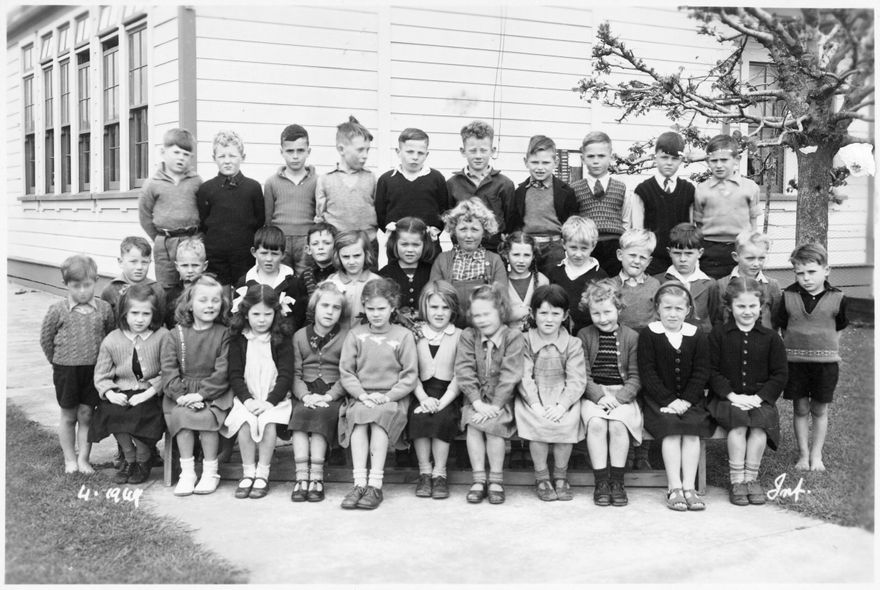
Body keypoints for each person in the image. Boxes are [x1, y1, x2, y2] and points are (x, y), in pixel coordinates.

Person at [338, 278, 419, 510]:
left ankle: (375, 484)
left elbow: (409, 375)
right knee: (360, 422)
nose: (375, 314)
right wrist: (362, 395)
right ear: (363, 307)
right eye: (370, 309)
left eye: (381, 309)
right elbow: (347, 372)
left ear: (392, 307)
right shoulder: (355, 335)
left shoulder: (403, 335)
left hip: (391, 397)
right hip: (362, 396)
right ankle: (359, 483)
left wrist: (388, 396)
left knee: (378, 421)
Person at [708, 277, 788, 505]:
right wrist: (732, 396)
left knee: (760, 427)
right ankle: (737, 480)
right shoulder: (719, 335)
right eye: (740, 306)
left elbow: (780, 374)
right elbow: (711, 371)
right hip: (726, 399)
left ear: (761, 307)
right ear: (730, 307)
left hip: (759, 398)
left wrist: (758, 397)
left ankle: (751, 478)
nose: (747, 311)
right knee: (739, 424)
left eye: (752, 306)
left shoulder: (771, 338)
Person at [638, 281, 713, 511]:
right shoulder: (649, 334)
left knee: (691, 430)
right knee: (671, 429)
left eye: (678, 309)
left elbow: (702, 371)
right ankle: (674, 487)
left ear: (688, 310)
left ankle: (689, 487)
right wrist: (670, 400)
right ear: (658, 309)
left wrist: (687, 400)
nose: (673, 313)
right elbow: (647, 372)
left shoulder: (697, 334)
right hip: (658, 400)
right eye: (667, 308)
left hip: (691, 400)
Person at [774, 243, 848, 472]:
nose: (805, 278)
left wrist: (830, 351)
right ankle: (803, 455)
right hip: (795, 364)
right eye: (800, 273)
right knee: (801, 409)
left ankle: (817, 455)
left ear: (826, 270)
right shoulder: (787, 296)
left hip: (825, 365)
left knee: (820, 410)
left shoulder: (838, 298)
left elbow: (839, 328)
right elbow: (783, 329)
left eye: (811, 272)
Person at [40, 255, 115, 473]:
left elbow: (109, 337)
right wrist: (57, 363)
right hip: (66, 370)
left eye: (87, 285)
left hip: (94, 371)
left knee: (86, 414)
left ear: (96, 281)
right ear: (65, 284)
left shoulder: (103, 309)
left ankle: (83, 459)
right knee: (68, 415)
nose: (82, 291)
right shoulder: (57, 310)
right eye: (76, 286)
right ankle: (69, 460)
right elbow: (46, 339)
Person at [160, 275, 232, 496]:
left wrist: (201, 395)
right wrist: (181, 396)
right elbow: (169, 369)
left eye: (215, 301)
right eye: (203, 300)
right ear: (190, 304)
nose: (209, 305)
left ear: (222, 304)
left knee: (206, 418)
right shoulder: (175, 335)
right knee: (181, 416)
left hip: (214, 392)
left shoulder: (224, 334)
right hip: (181, 393)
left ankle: (211, 471)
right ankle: (187, 472)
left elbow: (223, 371)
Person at [221, 284, 294, 500]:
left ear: (276, 313)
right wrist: (248, 400)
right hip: (248, 397)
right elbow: (234, 374)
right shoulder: (239, 338)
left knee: (267, 423)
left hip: (275, 398)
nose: (261, 320)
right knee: (245, 422)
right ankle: (248, 472)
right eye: (256, 314)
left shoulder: (281, 339)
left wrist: (270, 401)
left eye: (267, 314)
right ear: (245, 313)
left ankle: (263, 473)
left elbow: (285, 375)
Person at [90, 284, 168, 484]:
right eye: (134, 313)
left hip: (151, 393)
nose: (140, 319)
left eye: (146, 314)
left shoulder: (162, 337)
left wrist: (149, 392)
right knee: (110, 412)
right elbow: (101, 375)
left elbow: (169, 371)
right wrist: (109, 393)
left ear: (154, 314)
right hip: (121, 391)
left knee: (143, 416)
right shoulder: (112, 340)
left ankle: (144, 459)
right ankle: (129, 457)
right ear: (124, 313)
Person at [515, 284, 586, 502]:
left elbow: (577, 379)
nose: (549, 319)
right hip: (531, 396)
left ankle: (560, 476)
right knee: (539, 424)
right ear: (533, 314)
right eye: (543, 313)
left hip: (563, 395)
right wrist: (535, 404)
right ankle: (542, 476)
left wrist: (562, 405)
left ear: (565, 315)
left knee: (564, 424)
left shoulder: (573, 344)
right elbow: (523, 375)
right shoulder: (524, 340)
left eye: (555, 314)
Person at [456, 283, 524, 505]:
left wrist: (495, 406)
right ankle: (478, 479)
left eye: (487, 314)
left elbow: (510, 374)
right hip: (475, 400)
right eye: (476, 315)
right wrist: (476, 402)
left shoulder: (513, 336)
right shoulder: (468, 336)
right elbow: (464, 371)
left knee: (494, 427)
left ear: (501, 311)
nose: (481, 320)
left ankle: (495, 479)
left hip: (502, 400)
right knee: (474, 426)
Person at [578, 279, 642, 507]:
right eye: (596, 313)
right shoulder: (584, 335)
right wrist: (599, 396)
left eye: (607, 311)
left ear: (619, 309)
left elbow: (636, 377)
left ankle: (617, 481)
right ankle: (601, 481)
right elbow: (583, 375)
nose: (602, 318)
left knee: (617, 425)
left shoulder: (632, 337)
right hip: (593, 393)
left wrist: (619, 398)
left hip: (622, 394)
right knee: (595, 423)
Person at [289, 282, 349, 503]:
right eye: (325, 306)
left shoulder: (346, 336)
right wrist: (305, 396)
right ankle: (301, 477)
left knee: (322, 415)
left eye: (336, 308)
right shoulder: (299, 336)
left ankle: (316, 478)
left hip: (333, 392)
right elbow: (294, 373)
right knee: (300, 414)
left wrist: (329, 396)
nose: (330, 311)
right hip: (306, 390)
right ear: (314, 307)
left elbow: (347, 374)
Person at [408, 281, 462, 500]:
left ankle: (440, 473)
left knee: (442, 418)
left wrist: (443, 401)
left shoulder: (459, 335)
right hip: (420, 391)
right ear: (425, 307)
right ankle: (424, 472)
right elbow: (409, 370)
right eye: (434, 307)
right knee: (418, 418)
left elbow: (461, 375)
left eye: (445, 308)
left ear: (453, 310)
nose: (439, 313)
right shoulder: (414, 333)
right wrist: (422, 398)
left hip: (448, 394)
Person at [197, 130, 265, 287]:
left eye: (232, 156)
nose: (227, 161)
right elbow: (203, 223)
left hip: (244, 257)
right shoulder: (206, 189)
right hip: (215, 258)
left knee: (244, 296)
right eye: (222, 156)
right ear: (214, 158)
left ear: (242, 157)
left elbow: (259, 221)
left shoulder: (253, 188)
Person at [138, 128, 202, 291]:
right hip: (165, 244)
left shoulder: (196, 181)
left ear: (191, 157)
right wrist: (161, 238)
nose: (181, 157)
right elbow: (145, 217)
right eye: (176, 152)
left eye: (186, 154)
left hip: (192, 241)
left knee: (193, 286)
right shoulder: (152, 184)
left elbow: (204, 211)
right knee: (167, 289)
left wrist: (197, 238)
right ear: (163, 152)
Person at [430, 198, 508, 327]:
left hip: (485, 327)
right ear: (454, 230)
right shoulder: (442, 260)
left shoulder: (494, 260)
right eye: (463, 229)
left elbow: (502, 299)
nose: (469, 235)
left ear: (484, 231)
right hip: (450, 328)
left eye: (475, 229)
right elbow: (433, 296)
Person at [570, 131, 638, 276]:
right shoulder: (574, 189)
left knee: (612, 286)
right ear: (583, 158)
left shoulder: (622, 188)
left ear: (611, 157)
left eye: (601, 156)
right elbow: (573, 222)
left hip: (614, 247)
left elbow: (626, 222)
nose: (596, 161)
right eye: (591, 156)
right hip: (586, 247)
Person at [507, 135, 578, 276]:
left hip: (555, 247)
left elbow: (572, 223)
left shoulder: (566, 192)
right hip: (527, 247)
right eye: (535, 162)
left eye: (545, 163)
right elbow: (514, 224)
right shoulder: (520, 192)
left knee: (554, 288)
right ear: (526, 162)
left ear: (555, 162)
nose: (540, 168)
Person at [693, 134, 760, 279]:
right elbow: (698, 224)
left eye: (724, 160)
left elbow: (753, 223)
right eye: (714, 161)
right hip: (710, 252)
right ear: (707, 161)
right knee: (712, 293)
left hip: (741, 249)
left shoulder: (750, 187)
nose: (718, 165)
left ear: (736, 160)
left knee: (739, 292)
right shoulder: (701, 189)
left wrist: (753, 250)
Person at [315, 116, 379, 265]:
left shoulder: (371, 178)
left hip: (367, 245)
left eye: (368, 150)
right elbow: (320, 216)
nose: (365, 155)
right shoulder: (326, 180)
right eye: (360, 150)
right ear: (341, 149)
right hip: (338, 247)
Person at [375, 128, 450, 254]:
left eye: (420, 153)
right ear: (398, 152)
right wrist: (397, 233)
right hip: (398, 245)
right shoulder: (386, 180)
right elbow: (380, 214)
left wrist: (431, 231)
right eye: (410, 152)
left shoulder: (436, 178)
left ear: (427, 154)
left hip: (428, 244)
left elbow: (444, 210)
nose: (415, 157)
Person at [631, 130, 695, 276]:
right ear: (655, 158)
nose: (669, 163)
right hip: (652, 261)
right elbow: (638, 231)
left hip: (681, 259)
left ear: (681, 160)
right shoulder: (643, 190)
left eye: (674, 158)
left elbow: (692, 229)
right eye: (664, 157)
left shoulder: (689, 190)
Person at [446, 120, 515, 252]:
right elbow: (449, 221)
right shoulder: (452, 184)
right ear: (463, 151)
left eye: (483, 150)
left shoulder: (505, 184)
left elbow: (510, 222)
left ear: (492, 151)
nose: (478, 156)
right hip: (461, 251)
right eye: (473, 151)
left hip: (494, 252)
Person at [263, 124, 318, 275]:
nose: (295, 156)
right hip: (281, 242)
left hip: (306, 242)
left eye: (300, 150)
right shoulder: (271, 183)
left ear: (308, 151)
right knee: (281, 281)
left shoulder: (317, 181)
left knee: (306, 281)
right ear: (282, 152)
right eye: (290, 151)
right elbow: (268, 221)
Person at [233, 224, 307, 334]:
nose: (269, 259)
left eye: (275, 254)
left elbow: (299, 318)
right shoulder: (244, 283)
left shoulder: (294, 284)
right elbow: (237, 316)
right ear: (254, 252)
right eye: (263, 253)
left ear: (283, 254)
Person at [546, 216, 608, 335]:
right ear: (564, 244)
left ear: (593, 246)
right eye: (573, 248)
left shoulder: (600, 276)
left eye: (584, 248)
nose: (578, 254)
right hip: (559, 334)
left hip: (591, 335)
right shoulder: (555, 273)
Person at [654, 223, 717, 334]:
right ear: (669, 252)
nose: (683, 259)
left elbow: (713, 316)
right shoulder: (658, 281)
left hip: (699, 341)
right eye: (677, 253)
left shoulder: (710, 284)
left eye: (689, 253)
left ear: (700, 253)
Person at [712, 230, 782, 329]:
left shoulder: (772, 285)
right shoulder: (722, 285)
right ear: (736, 257)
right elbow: (718, 317)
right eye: (750, 258)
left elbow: (775, 318)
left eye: (761, 258)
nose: (756, 264)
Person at [379, 216, 436, 326]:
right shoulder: (384, 274)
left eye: (416, 245)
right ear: (395, 243)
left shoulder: (433, 271)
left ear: (424, 244)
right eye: (404, 244)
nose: (410, 250)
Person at [100, 236, 166, 321]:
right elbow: (106, 322)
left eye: (144, 262)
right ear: (121, 262)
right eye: (133, 262)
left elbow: (161, 320)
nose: (139, 267)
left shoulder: (157, 289)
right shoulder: (110, 290)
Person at [327, 230, 381, 329]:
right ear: (337, 256)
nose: (351, 262)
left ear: (366, 254)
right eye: (346, 257)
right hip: (339, 339)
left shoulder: (377, 282)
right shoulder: (332, 282)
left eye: (357, 256)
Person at [613, 228, 661, 333]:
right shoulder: (610, 285)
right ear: (620, 255)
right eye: (632, 255)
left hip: (647, 339)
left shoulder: (654, 284)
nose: (637, 261)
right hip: (620, 339)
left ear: (649, 261)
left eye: (643, 258)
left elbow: (659, 317)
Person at [500, 231, 549, 331]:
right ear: (506, 255)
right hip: (507, 339)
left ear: (533, 256)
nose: (521, 260)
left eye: (526, 255)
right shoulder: (500, 281)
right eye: (516, 255)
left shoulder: (542, 281)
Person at [164, 236, 208, 328]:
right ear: (177, 266)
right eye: (184, 265)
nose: (190, 270)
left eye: (195, 265)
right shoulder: (172, 294)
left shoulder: (210, 291)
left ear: (204, 266)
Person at [298, 223, 338, 297]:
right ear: (308, 249)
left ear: (335, 248)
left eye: (326, 243)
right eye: (315, 244)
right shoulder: (305, 276)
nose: (320, 247)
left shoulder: (341, 273)